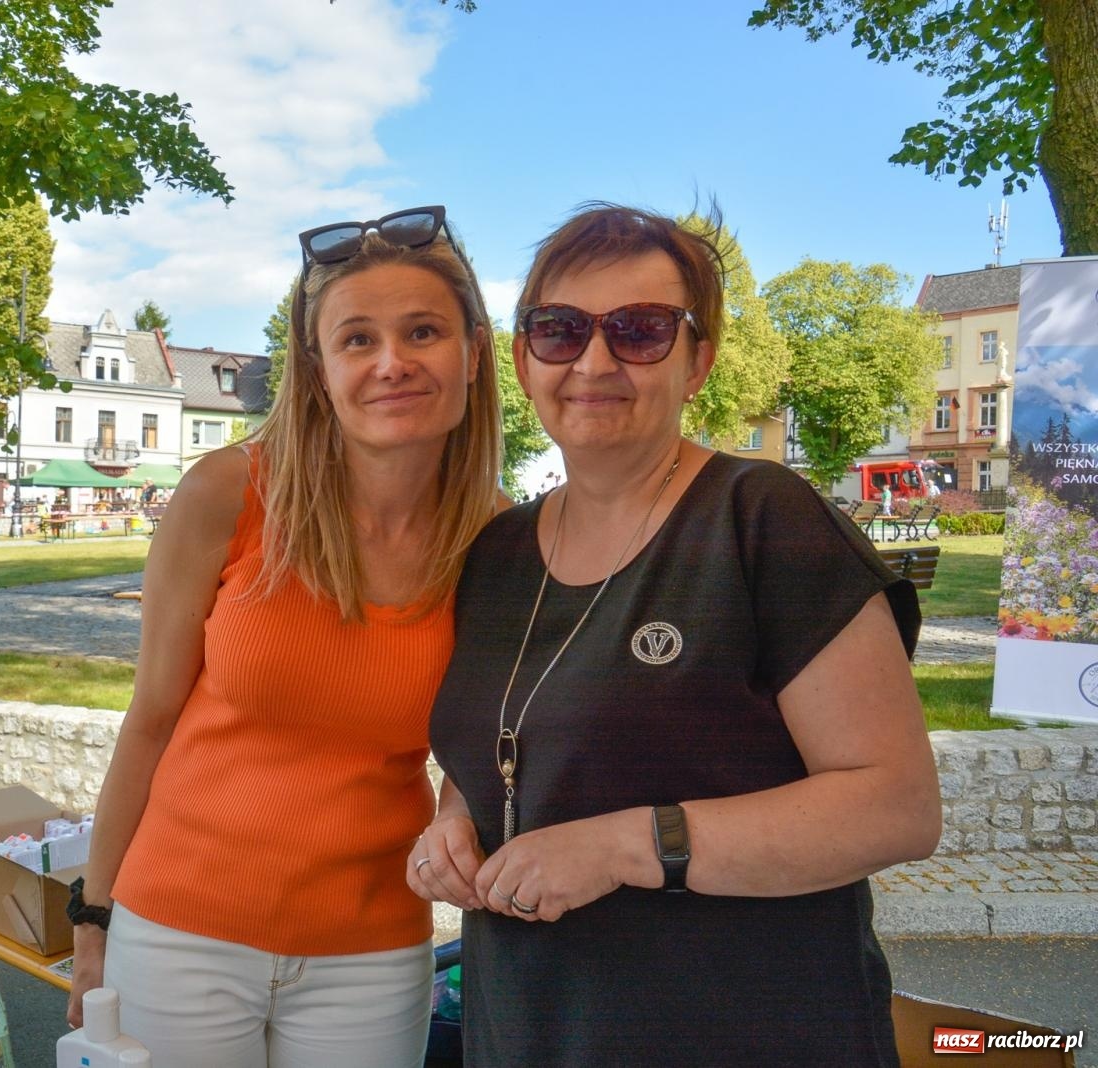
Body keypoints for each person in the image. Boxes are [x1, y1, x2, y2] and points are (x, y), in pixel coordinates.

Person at [413, 204, 940, 1066]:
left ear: (698, 361)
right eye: (560, 330)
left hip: (743, 1030)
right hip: (531, 1028)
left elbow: (896, 808)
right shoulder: (497, 553)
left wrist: (628, 846)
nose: (594, 362)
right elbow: (508, 747)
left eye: (640, 330)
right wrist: (454, 820)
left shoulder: (762, 521)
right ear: (523, 359)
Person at [68, 206, 503, 1067]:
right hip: (178, 932)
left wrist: (458, 814)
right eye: (357, 339)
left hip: (372, 951)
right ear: (319, 369)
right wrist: (92, 923)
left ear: (474, 353)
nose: (391, 362)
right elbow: (148, 719)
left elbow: (486, 743)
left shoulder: (499, 541)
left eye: (423, 331)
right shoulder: (227, 494)